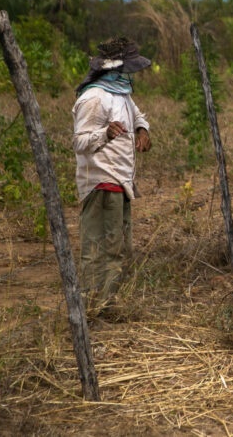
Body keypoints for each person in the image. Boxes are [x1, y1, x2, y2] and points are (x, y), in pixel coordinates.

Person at [72, 37, 153, 316]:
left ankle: (109, 303)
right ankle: (94, 307)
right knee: (98, 248)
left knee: (116, 246)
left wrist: (142, 131)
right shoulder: (94, 97)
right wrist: (104, 134)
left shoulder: (120, 93)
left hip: (120, 181)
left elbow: (138, 115)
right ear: (115, 68)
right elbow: (79, 142)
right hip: (101, 181)